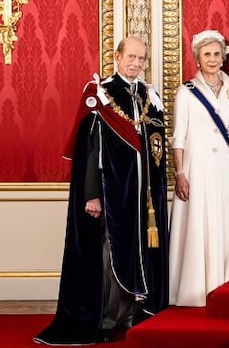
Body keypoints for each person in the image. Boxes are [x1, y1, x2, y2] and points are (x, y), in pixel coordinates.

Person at [36, 37, 169, 345]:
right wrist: (92, 194)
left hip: (143, 196)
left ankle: (132, 314)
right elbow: (91, 150)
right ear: (117, 57)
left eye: (142, 59)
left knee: (138, 252)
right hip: (113, 194)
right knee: (112, 252)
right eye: (131, 57)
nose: (136, 63)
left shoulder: (148, 95)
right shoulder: (100, 94)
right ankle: (107, 319)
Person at [169, 30, 229, 307]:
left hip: (224, 170)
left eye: (217, 54)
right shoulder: (186, 92)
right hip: (196, 167)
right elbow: (178, 136)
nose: (213, 59)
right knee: (198, 223)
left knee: (223, 223)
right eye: (207, 55)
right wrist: (180, 173)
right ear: (198, 59)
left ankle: (222, 286)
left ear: (224, 57)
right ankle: (193, 290)